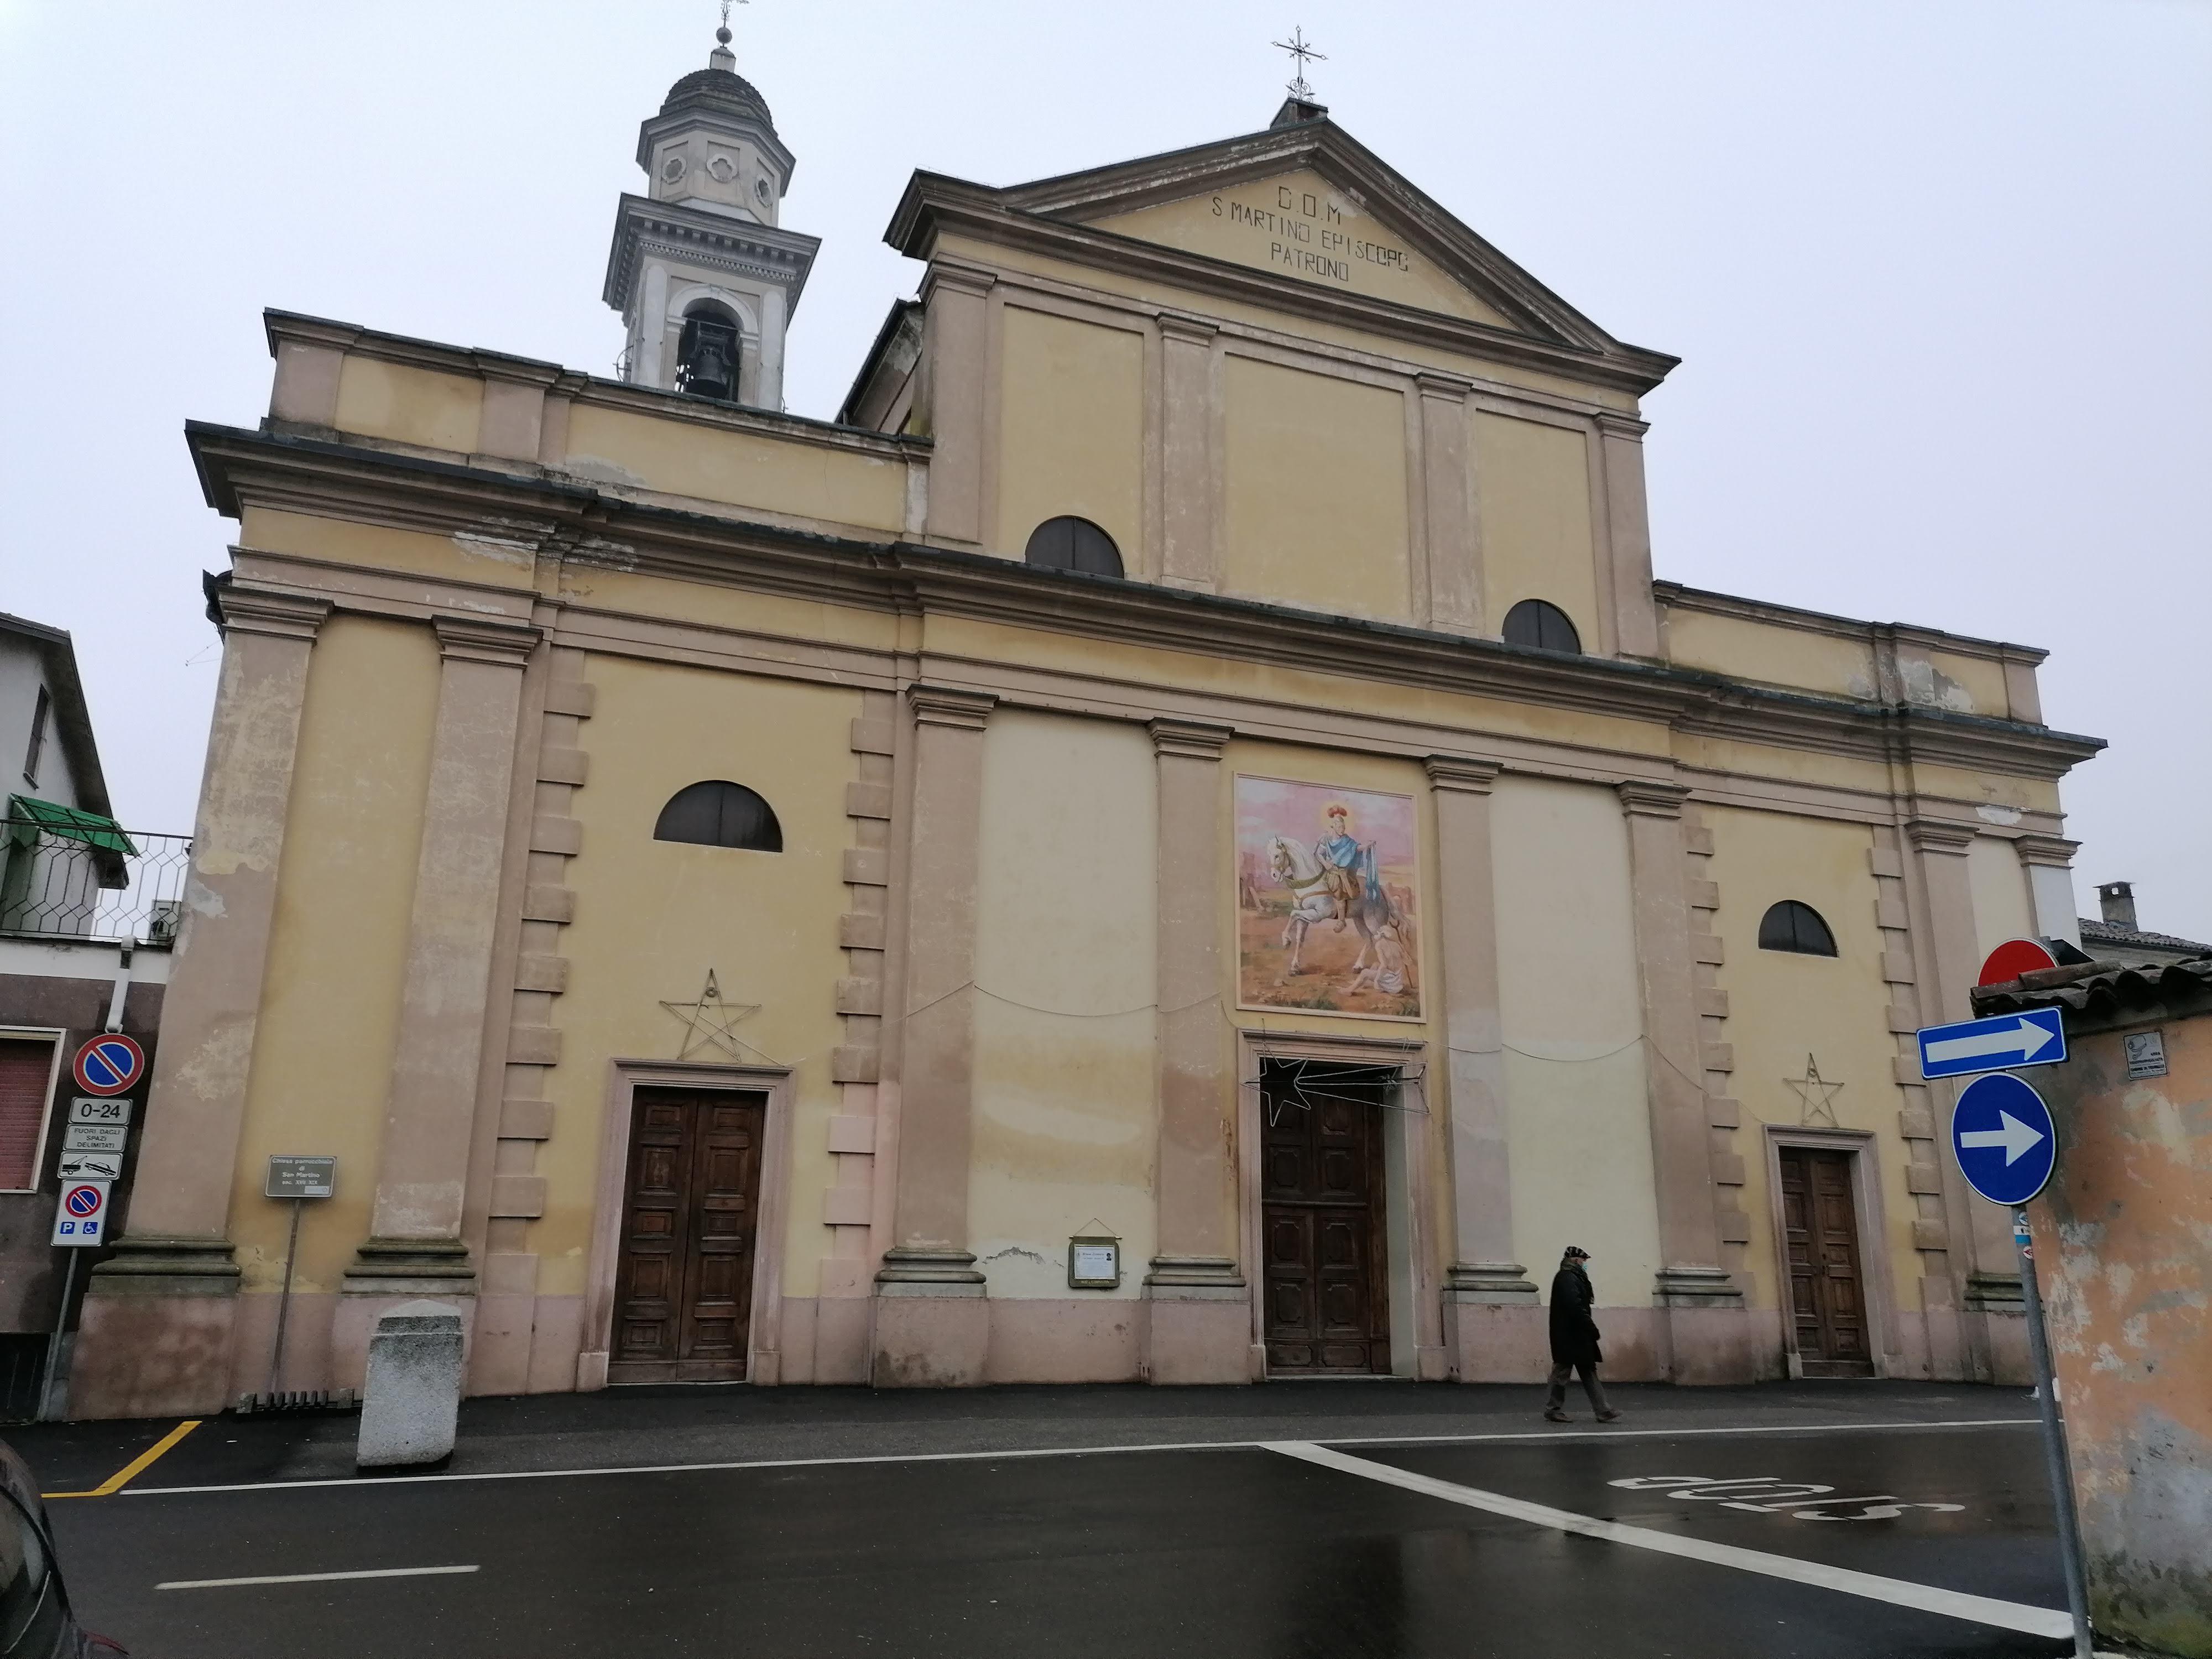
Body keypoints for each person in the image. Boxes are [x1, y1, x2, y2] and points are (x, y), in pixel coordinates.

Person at [1545, 1245, 1620, 1423]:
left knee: (1588, 1371)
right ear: (1576, 1260)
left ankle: (1603, 1410)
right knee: (1562, 1373)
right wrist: (1590, 1327)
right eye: (1583, 1260)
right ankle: (1552, 1409)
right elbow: (1576, 1307)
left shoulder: (1573, 1277)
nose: (1585, 1263)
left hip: (1575, 1335)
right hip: (1570, 1335)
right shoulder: (1567, 1278)